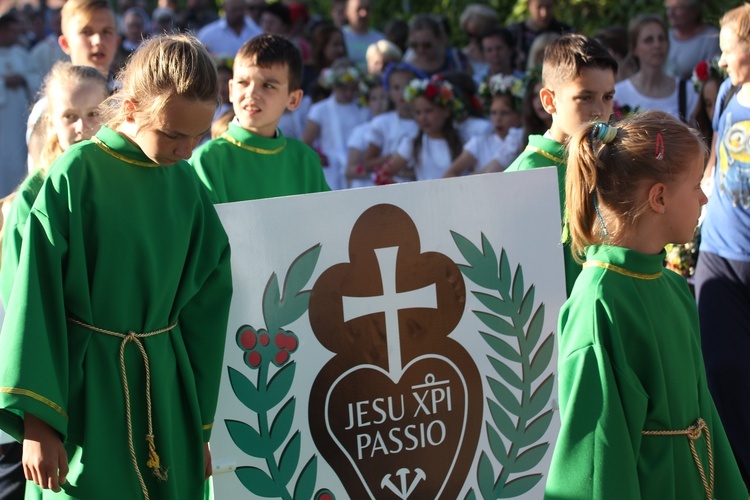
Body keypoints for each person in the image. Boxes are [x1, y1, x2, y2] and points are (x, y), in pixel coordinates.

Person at [0, 33, 232, 499]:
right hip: (87, 394)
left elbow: (208, 310)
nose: (187, 150)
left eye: (198, 135)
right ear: (130, 109)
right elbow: (37, 299)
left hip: (166, 392)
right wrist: (40, 424)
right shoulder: (78, 173)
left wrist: (201, 425)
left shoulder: (185, 185)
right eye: (173, 134)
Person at [545, 111, 747, 499]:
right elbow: (594, 460)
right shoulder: (599, 303)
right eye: (695, 186)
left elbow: (704, 418)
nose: (705, 197)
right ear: (659, 198)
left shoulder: (672, 286)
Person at [506, 34, 617, 296]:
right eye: (585, 97)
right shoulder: (526, 172)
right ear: (549, 100)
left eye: (608, 97)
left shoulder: (611, 159)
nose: (599, 110)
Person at [694, 4, 750, 489]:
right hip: (720, 256)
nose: (721, 56)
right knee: (725, 374)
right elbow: (716, 162)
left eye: (728, 45)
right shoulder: (728, 92)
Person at [2, 62, 109, 308]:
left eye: (93, 114)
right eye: (70, 116)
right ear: (51, 122)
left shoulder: (127, 183)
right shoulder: (33, 197)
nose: (82, 127)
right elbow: (21, 300)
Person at [192, 34, 329, 203]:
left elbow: (325, 224)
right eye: (243, 83)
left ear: (293, 99)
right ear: (232, 90)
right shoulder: (207, 160)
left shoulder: (305, 160)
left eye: (268, 85)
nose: (252, 93)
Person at [614, 14, 698, 122]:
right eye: (649, 40)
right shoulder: (619, 94)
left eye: (661, 38)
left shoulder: (687, 90)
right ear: (634, 48)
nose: (657, 45)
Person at [302, 58, 370, 190]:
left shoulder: (364, 109)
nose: (348, 92)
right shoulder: (320, 109)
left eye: (352, 87)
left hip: (358, 169)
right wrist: (317, 158)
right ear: (333, 84)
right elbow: (306, 143)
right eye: (342, 87)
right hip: (331, 171)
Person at [381, 77, 464, 182]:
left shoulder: (463, 139)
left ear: (446, 111)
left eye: (428, 111)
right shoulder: (411, 144)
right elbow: (384, 174)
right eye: (418, 112)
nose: (423, 118)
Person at [446, 74, 525, 177]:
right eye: (493, 113)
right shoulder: (479, 143)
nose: (498, 118)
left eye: (505, 113)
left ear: (518, 115)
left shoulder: (524, 138)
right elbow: (451, 173)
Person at [0, 12, 40, 197]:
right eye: (12, 32)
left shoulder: (22, 54)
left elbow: (36, 79)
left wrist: (23, 79)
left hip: (17, 118)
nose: (17, 36)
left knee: (17, 163)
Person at [364, 62, 424, 182]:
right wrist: (395, 158)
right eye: (396, 88)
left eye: (408, 86)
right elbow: (368, 163)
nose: (402, 93)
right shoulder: (381, 123)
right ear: (389, 92)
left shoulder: (426, 121)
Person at [345, 72, 388, 188]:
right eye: (374, 99)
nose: (379, 103)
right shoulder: (360, 131)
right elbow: (349, 170)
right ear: (368, 102)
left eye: (383, 97)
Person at [507, 0, 572, 72]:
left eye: (548, 7)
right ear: (528, 6)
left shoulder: (566, 32)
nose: (544, 13)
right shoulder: (514, 33)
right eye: (539, 7)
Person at [665, 0, 720, 80]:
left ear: (695, 11)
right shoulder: (664, 36)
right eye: (669, 8)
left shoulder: (710, 37)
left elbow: (714, 76)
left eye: (678, 8)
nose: (671, 13)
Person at [196, 0, 261, 58]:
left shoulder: (257, 32)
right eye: (233, 10)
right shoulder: (207, 35)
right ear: (224, 8)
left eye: (240, 9)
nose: (237, 13)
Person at [458, 4, 499, 83]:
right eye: (470, 34)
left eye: (480, 35)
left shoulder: (503, 52)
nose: (475, 39)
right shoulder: (463, 57)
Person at [341, 0, 384, 69]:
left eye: (367, 9)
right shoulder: (339, 37)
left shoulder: (381, 40)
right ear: (346, 12)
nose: (364, 13)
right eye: (358, 9)